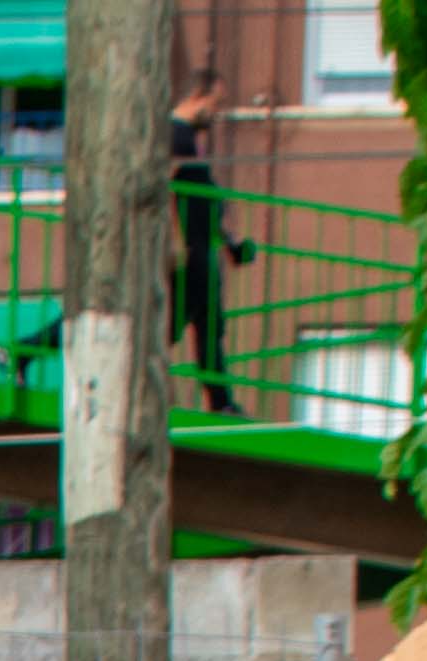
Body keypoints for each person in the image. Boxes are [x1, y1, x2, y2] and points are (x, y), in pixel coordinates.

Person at [172, 59, 250, 411]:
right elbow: (164, 191)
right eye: (215, 105)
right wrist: (175, 242)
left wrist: (230, 243)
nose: (216, 115)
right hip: (187, 249)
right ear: (199, 97)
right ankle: (219, 401)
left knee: (208, 323)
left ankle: (220, 400)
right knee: (190, 323)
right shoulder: (174, 134)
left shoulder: (188, 139)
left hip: (201, 247)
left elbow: (201, 195)